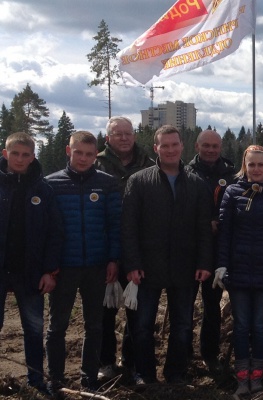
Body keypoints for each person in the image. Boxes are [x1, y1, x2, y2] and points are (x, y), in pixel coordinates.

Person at [122, 125, 213, 384]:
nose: (170, 150)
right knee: (142, 325)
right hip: (147, 267)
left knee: (182, 325)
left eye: (175, 145)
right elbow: (128, 226)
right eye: (165, 146)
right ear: (156, 148)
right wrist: (132, 263)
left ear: (182, 146)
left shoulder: (196, 184)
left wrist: (204, 262)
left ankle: (175, 374)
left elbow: (204, 228)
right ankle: (145, 374)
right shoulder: (139, 181)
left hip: (185, 266)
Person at [46, 131, 121, 392]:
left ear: (95, 155)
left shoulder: (107, 183)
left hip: (96, 267)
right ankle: (55, 379)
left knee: (95, 325)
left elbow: (115, 225)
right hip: (63, 267)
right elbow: (46, 229)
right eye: (78, 152)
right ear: (69, 151)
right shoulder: (51, 184)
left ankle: (89, 379)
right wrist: (49, 266)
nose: (83, 158)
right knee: (57, 325)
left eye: (89, 154)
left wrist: (113, 259)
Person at [216, 145, 263, 394]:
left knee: (260, 325)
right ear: (245, 166)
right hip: (237, 270)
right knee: (241, 326)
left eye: (261, 164)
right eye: (252, 164)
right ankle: (242, 378)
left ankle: (257, 376)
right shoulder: (232, 192)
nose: (257, 169)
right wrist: (221, 264)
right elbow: (225, 233)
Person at [0, 133, 63, 393]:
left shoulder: (43, 189)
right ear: (5, 154)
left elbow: (55, 233)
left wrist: (49, 271)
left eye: (25, 155)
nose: (20, 159)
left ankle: (36, 381)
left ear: (33, 157)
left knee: (34, 329)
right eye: (15, 153)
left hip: (31, 272)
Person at [95, 116, 154, 380]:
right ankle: (105, 362)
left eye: (127, 133)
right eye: (117, 133)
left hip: (138, 250)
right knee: (104, 311)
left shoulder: (148, 165)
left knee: (137, 311)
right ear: (108, 138)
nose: (123, 137)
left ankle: (130, 362)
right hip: (104, 249)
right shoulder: (96, 164)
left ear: (134, 136)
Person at [184, 129, 235, 374]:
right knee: (184, 305)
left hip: (217, 251)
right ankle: (183, 353)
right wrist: (204, 223)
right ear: (197, 146)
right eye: (206, 146)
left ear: (220, 147)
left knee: (212, 306)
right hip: (189, 249)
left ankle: (210, 354)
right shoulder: (185, 172)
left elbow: (235, 207)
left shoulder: (231, 174)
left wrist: (219, 222)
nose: (211, 150)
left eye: (215, 146)